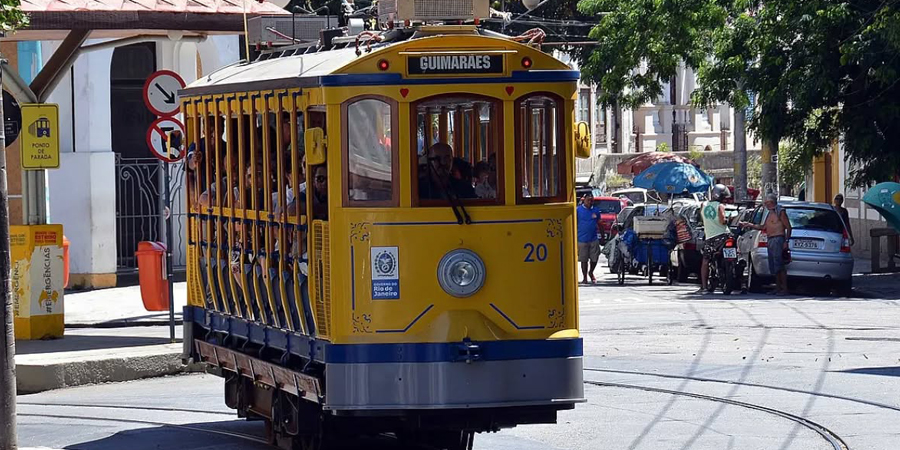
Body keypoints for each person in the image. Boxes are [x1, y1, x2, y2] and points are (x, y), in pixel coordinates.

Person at [741, 193, 792, 295]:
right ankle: (778, 288)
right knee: (774, 265)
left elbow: (788, 227)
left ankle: (784, 289)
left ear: (771, 202)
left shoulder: (780, 212)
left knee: (779, 265)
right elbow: (764, 227)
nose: (765, 204)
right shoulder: (770, 213)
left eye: (767, 202)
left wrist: (786, 241)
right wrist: (749, 224)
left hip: (778, 239)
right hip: (771, 239)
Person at [698, 184, 731, 294]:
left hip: (710, 238)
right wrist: (729, 218)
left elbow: (703, 220)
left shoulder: (704, 205)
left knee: (706, 260)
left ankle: (704, 286)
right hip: (723, 236)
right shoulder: (720, 206)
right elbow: (723, 221)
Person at [576, 194, 602, 284]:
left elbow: (599, 223)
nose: (590, 202)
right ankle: (585, 277)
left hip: (593, 238)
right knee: (584, 260)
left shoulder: (596, 210)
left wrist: (602, 235)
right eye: (588, 200)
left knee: (594, 258)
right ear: (584, 200)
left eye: (592, 200)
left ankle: (591, 272)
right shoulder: (578, 210)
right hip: (581, 239)